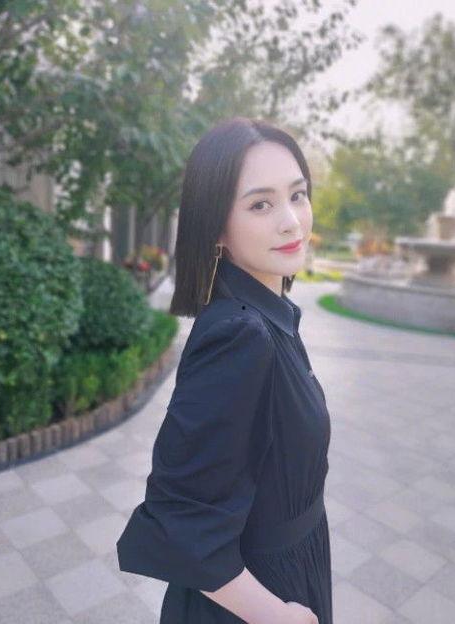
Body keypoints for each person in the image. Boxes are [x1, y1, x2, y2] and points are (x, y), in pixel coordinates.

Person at [116, 116, 332, 624]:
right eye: (261, 204)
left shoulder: (272, 315)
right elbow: (180, 514)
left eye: (297, 195)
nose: (291, 221)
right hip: (256, 599)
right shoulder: (240, 336)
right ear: (216, 227)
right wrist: (276, 616)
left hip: (292, 569)